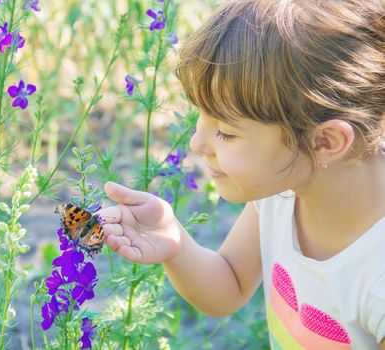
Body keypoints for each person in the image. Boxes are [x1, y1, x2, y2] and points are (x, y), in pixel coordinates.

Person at [96, 0, 385, 348]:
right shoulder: (283, 193)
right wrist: (173, 242)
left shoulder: (376, 274)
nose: (196, 142)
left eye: (227, 132)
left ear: (325, 142)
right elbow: (228, 286)